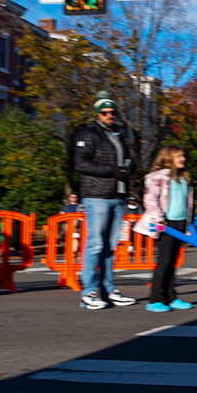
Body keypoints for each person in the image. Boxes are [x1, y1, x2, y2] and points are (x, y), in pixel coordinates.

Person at [72, 94, 137, 310]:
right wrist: (113, 171)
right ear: (98, 114)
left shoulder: (119, 135)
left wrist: (129, 170)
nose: (110, 116)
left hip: (118, 196)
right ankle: (89, 292)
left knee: (110, 247)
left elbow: (129, 162)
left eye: (112, 113)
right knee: (96, 244)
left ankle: (108, 290)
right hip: (97, 196)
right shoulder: (89, 135)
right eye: (105, 113)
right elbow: (81, 163)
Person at [141, 145, 195, 313]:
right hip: (165, 223)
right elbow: (150, 200)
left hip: (180, 223)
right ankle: (155, 299)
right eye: (179, 156)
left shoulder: (183, 177)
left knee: (172, 261)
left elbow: (187, 203)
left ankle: (170, 297)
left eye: (183, 156)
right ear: (169, 157)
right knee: (164, 261)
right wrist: (159, 220)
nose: (183, 159)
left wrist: (189, 224)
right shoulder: (158, 176)